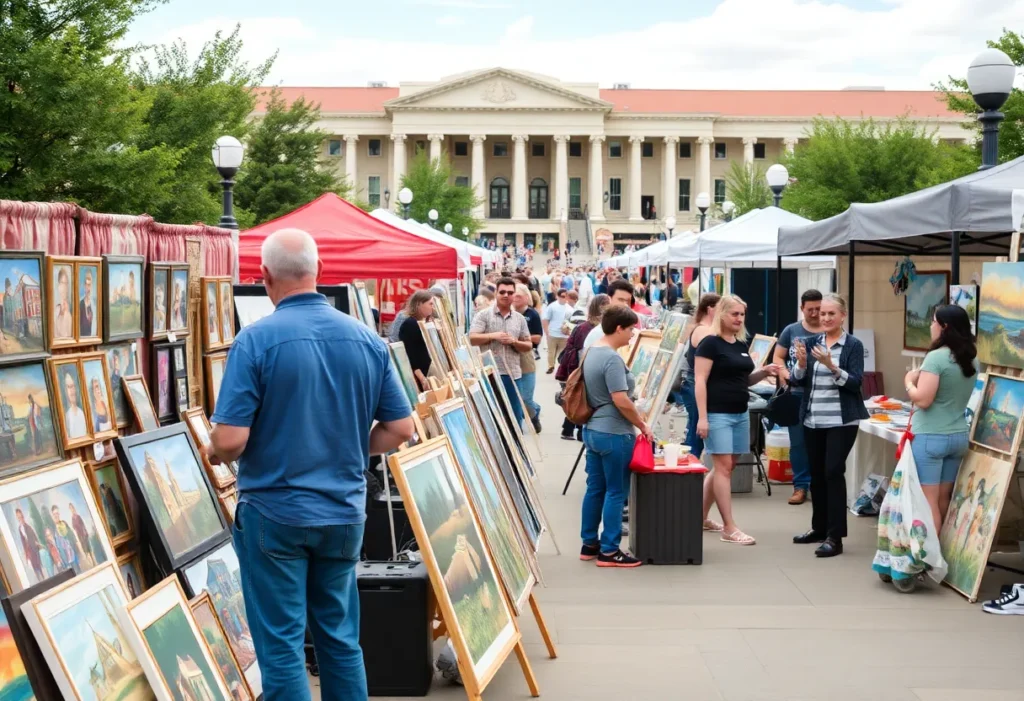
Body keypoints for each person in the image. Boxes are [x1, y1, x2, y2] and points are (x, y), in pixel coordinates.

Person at [208, 228, 414, 701]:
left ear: (263, 278)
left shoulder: (255, 341)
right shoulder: (366, 339)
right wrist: (346, 449)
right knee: (340, 641)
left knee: (281, 647)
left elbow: (231, 440)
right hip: (343, 511)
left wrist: (214, 449)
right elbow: (402, 429)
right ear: (319, 272)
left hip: (275, 514)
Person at [694, 294, 781, 546]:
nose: (739, 318)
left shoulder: (739, 344)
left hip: (740, 412)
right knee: (722, 468)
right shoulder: (710, 343)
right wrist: (702, 417)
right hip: (716, 413)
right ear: (721, 313)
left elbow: (743, 380)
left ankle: (699, 516)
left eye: (742, 314)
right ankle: (729, 527)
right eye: (734, 314)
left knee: (726, 466)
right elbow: (700, 381)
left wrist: (763, 372)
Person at [791, 293, 869, 558]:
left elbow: (856, 383)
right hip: (813, 418)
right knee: (816, 473)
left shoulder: (853, 346)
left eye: (830, 314)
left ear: (842, 316)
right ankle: (819, 528)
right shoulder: (811, 342)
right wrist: (801, 365)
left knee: (833, 472)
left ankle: (835, 537)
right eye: (822, 313)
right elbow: (797, 380)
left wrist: (832, 366)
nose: (824, 318)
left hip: (841, 420)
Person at [579, 304, 652, 568]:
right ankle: (609, 550)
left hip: (593, 429)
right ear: (619, 328)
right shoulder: (611, 358)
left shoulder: (590, 352)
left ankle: (589, 543)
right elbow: (620, 398)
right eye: (631, 329)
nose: (633, 334)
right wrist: (641, 424)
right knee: (615, 492)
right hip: (614, 431)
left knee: (595, 488)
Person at [904, 304, 978, 531]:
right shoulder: (972, 358)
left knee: (928, 501)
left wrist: (908, 381)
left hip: (930, 436)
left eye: (933, 321)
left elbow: (923, 400)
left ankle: (930, 558)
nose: (930, 325)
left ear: (944, 327)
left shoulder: (936, 358)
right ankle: (942, 553)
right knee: (944, 498)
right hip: (957, 435)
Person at [773, 290, 824, 505]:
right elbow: (778, 356)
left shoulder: (829, 330)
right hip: (797, 393)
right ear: (802, 308)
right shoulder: (791, 330)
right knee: (799, 442)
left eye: (818, 309)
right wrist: (784, 374)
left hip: (823, 393)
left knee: (822, 443)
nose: (814, 313)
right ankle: (800, 486)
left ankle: (820, 486)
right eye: (810, 309)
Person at [469, 277, 532, 427]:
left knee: (514, 419)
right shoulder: (483, 315)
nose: (506, 295)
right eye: (502, 292)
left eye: (510, 293)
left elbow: (529, 345)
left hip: (512, 374)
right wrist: (493, 336)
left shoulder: (520, 319)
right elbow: (472, 339)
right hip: (489, 373)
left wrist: (514, 342)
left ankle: (516, 448)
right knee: (492, 420)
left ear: (514, 295)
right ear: (496, 293)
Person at [557, 294, 610, 440]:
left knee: (576, 399)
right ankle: (579, 432)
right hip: (581, 370)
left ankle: (568, 430)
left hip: (574, 369)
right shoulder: (594, 329)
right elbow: (582, 352)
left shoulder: (582, 327)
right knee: (581, 401)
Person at [678, 293, 720, 459]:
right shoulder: (705, 331)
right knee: (697, 429)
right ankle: (689, 465)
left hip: (691, 383)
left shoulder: (700, 328)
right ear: (710, 309)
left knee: (694, 426)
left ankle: (688, 462)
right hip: (693, 383)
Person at [513, 284, 543, 432]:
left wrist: (519, 339)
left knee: (525, 398)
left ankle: (535, 411)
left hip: (526, 358)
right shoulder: (509, 314)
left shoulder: (532, 315)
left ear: (526, 297)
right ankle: (517, 426)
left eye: (518, 296)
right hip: (510, 358)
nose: (515, 299)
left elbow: (538, 338)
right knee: (514, 397)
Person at [398, 290, 436, 392]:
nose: (433, 307)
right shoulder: (410, 324)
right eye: (430, 304)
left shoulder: (421, 322)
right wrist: (422, 378)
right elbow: (410, 355)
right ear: (419, 304)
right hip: (419, 378)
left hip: (426, 374)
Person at [584, 280, 635, 349]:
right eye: (620, 300)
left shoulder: (628, 329)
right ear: (609, 299)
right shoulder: (599, 333)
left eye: (628, 301)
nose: (625, 305)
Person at [541, 290, 573, 374]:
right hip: (553, 333)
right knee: (551, 352)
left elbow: (572, 321)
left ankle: (560, 368)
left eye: (566, 296)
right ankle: (551, 366)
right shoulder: (552, 306)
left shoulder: (569, 309)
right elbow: (545, 319)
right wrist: (547, 332)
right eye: (562, 296)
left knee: (562, 353)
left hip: (564, 335)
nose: (564, 298)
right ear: (557, 296)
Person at [62, 370, 87, 439]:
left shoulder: (81, 413)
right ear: (65, 391)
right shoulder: (67, 416)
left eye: (73, 386)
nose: (71, 390)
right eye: (69, 387)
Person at [54, 267, 72, 338]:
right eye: (62, 283)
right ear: (58, 286)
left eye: (66, 283)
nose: (64, 287)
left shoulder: (70, 313)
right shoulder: (55, 311)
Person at [79, 269, 95, 337]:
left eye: (90, 285)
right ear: (84, 286)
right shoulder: (80, 304)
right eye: (87, 285)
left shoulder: (94, 305)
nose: (88, 288)